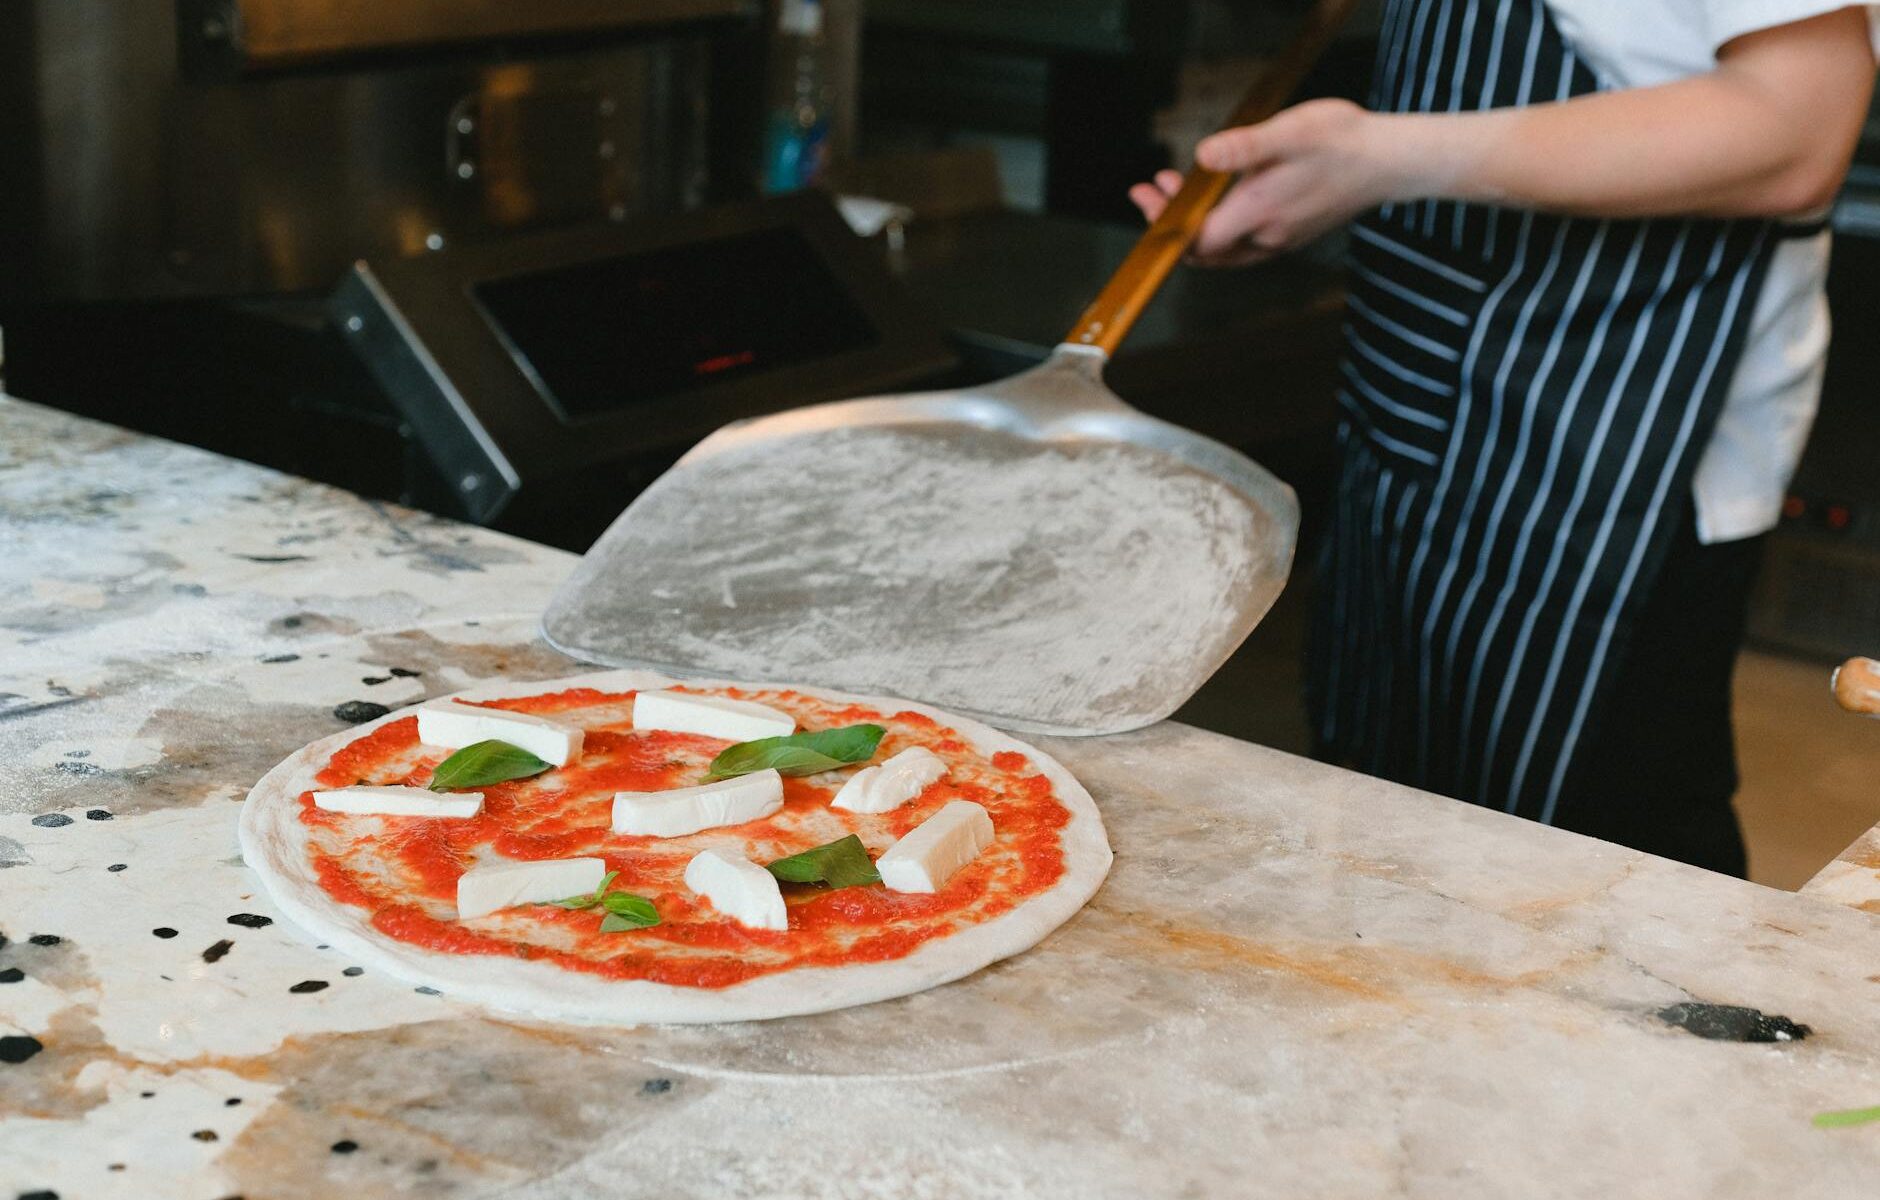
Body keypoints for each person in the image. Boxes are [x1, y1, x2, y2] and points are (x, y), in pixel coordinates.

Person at [1131, 2, 1879, 875]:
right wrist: (1314, 187)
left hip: (1612, 439)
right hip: (1423, 399)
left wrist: (1376, 158)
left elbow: (1793, 130)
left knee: (1606, 864)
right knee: (1398, 815)